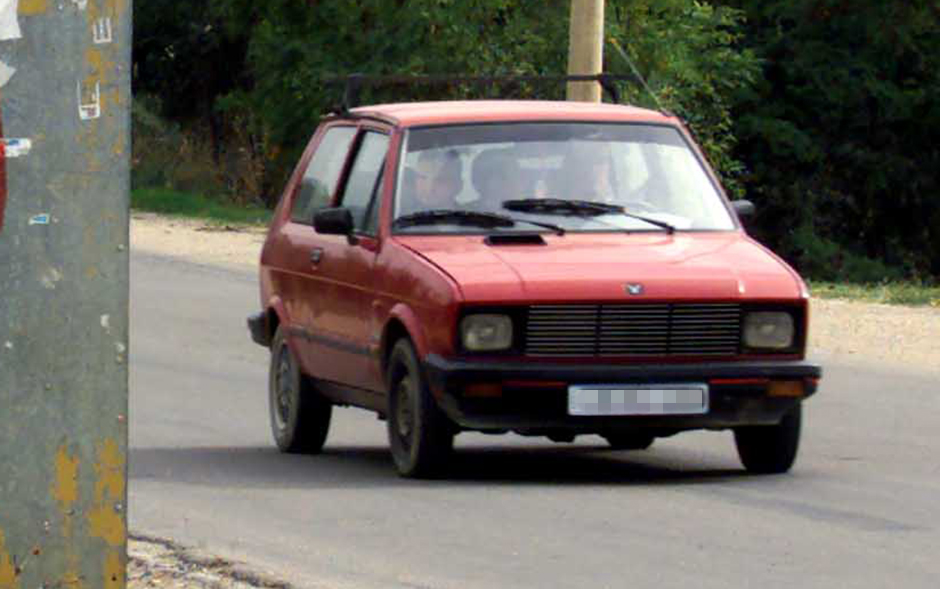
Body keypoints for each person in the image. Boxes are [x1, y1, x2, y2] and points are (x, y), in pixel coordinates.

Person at [400, 149, 463, 215]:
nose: (429, 188)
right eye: (422, 177)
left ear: (458, 186)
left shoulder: (468, 220)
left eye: (440, 180)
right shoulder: (400, 215)